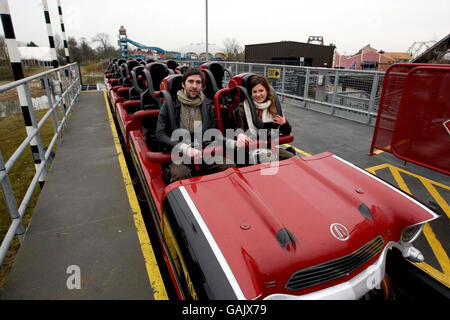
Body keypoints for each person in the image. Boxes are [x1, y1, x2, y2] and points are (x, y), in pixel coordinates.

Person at [156, 68, 235, 183]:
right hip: (178, 154)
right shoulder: (169, 105)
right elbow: (160, 135)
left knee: (229, 166)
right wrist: (185, 148)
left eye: (198, 82)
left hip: (202, 151)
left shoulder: (207, 104)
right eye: (191, 81)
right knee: (181, 174)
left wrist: (231, 142)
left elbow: (213, 133)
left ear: (202, 86)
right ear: (183, 84)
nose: (194, 86)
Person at [235, 74, 294, 160]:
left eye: (261, 90)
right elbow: (240, 127)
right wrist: (240, 135)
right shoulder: (244, 107)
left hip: (269, 146)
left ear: (267, 91)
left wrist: (284, 123)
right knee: (270, 158)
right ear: (250, 94)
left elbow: (287, 132)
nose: (258, 94)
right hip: (251, 148)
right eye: (254, 92)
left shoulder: (273, 107)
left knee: (291, 158)